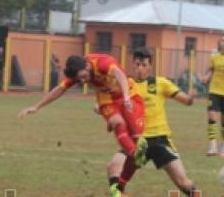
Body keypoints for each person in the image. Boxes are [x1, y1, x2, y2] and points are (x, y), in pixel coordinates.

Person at [106, 48, 198, 197]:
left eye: (144, 64)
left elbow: (185, 101)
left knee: (183, 182)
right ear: (133, 65)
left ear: (150, 66)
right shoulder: (125, 85)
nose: (140, 68)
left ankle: (192, 195)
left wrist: (190, 98)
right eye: (137, 64)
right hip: (135, 139)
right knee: (113, 166)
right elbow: (113, 108)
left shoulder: (160, 83)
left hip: (159, 139)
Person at [19, 53, 147, 165]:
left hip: (128, 92)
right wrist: (36, 107)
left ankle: (112, 117)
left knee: (136, 134)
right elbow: (59, 89)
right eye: (79, 79)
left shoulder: (103, 63)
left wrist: (125, 98)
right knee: (117, 123)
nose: (82, 81)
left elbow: (121, 76)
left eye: (83, 76)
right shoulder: (78, 71)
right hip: (106, 97)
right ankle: (135, 155)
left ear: (87, 66)